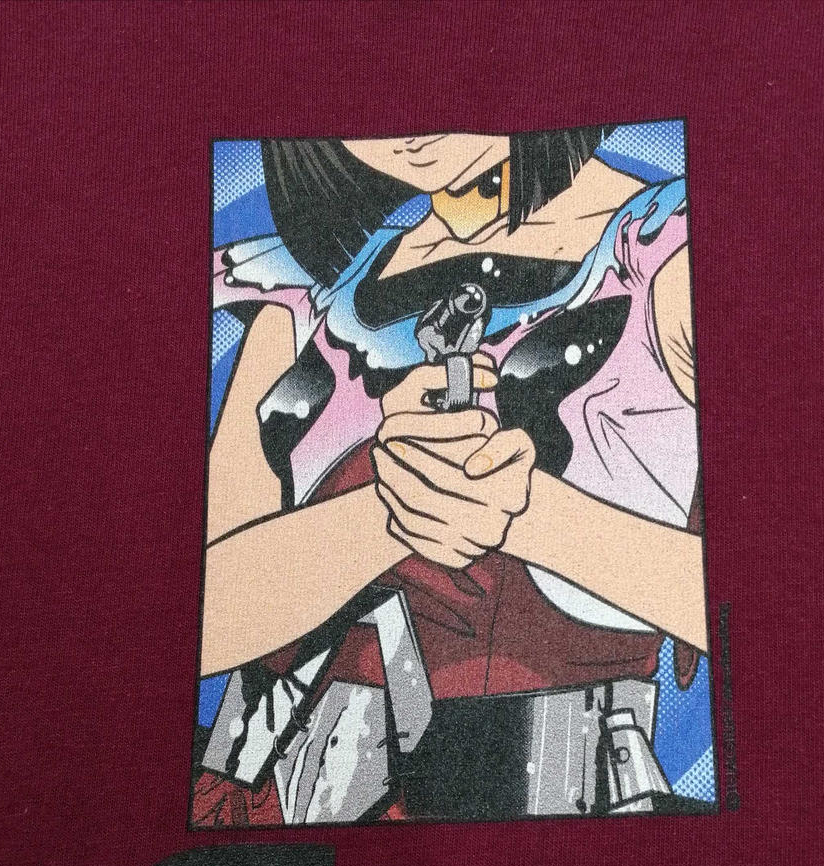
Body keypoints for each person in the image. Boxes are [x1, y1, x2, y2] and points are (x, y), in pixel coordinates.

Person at [194, 129, 708, 826]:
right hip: (267, 806)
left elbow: (778, 603)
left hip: (545, 806)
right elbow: (204, 621)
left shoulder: (667, 254)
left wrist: (527, 514)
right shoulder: (307, 294)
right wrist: (388, 507)